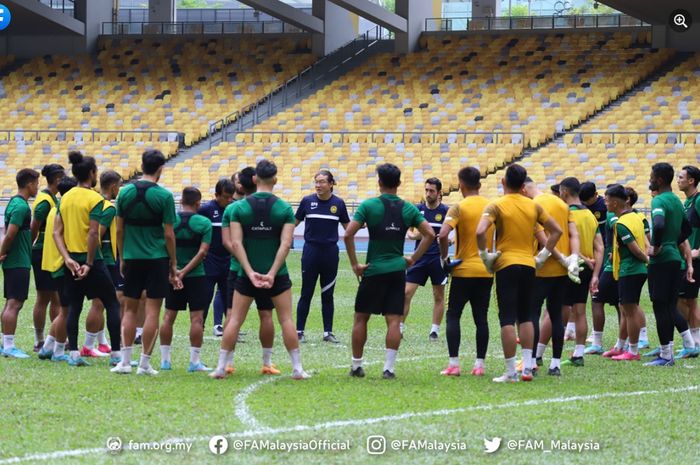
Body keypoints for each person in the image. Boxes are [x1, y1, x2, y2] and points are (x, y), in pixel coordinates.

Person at [211, 160, 309, 380]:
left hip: (246, 275)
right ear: (275, 179)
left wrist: (249, 271)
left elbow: (235, 244)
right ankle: (297, 369)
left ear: (254, 179)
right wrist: (272, 273)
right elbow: (285, 244)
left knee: (234, 319)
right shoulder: (284, 208)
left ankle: (220, 368)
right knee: (286, 320)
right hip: (277, 275)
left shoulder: (237, 208)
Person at [345, 163, 435, 379]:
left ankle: (357, 366)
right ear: (399, 183)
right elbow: (430, 234)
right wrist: (412, 259)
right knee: (394, 319)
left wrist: (355, 265)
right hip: (396, 270)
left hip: (373, 269)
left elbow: (348, 235)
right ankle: (389, 368)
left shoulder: (369, 206)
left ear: (379, 182)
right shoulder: (408, 208)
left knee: (361, 317)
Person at [476, 164, 562, 383]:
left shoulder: (497, 205)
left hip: (506, 264)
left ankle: (510, 371)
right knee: (525, 316)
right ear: (524, 185)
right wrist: (543, 255)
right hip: (529, 264)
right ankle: (527, 367)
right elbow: (557, 231)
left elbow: (479, 231)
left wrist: (485, 255)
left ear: (504, 182)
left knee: (506, 318)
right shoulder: (533, 206)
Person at [112, 150, 178, 376]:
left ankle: (125, 362)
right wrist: (173, 262)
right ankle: (145, 364)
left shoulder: (124, 193)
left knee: (129, 310)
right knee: (152, 311)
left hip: (131, 258)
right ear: (160, 169)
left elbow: (119, 229)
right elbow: (169, 234)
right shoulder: (165, 196)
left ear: (142, 165)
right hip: (157, 259)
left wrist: (122, 256)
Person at [52, 152, 122, 367]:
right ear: (92, 173)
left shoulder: (65, 198)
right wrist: (89, 263)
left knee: (74, 306)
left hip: (71, 260)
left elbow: (56, 233)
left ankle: (73, 353)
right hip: (92, 260)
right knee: (111, 302)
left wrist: (68, 259)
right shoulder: (95, 199)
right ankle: (117, 354)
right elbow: (93, 234)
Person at [221, 166, 278, 375]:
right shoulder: (273, 206)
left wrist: (243, 260)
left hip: (238, 269)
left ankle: (227, 362)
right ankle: (267, 362)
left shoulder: (233, 209)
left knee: (232, 315)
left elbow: (228, 242)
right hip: (264, 270)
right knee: (266, 314)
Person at [438, 167, 493, 376]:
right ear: (479, 184)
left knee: (453, 315)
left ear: (461, 185)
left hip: (462, 270)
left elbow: (443, 235)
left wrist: (445, 260)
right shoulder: (491, 206)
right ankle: (479, 365)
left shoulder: (458, 207)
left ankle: (454, 364)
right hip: (485, 270)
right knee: (481, 318)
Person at [523, 178, 580, 377]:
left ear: (524, 189)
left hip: (541, 269)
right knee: (556, 316)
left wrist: (561, 258)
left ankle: (530, 362)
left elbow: (543, 238)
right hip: (561, 272)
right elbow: (573, 233)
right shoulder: (561, 204)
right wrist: (572, 257)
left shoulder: (532, 205)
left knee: (532, 314)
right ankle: (555, 364)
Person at [645, 163, 695, 366]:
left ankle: (666, 355)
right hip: (675, 259)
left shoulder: (659, 200)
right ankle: (683, 347)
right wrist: (673, 242)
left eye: (651, 176)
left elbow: (658, 223)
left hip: (662, 260)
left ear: (658, 180)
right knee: (669, 305)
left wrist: (657, 246)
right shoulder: (676, 200)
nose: (649, 179)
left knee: (660, 306)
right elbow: (687, 229)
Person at [159, 187, 213, 372]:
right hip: (196, 276)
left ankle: (165, 361)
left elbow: (163, 248)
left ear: (181, 201)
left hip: (171, 276)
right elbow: (203, 252)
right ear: (198, 203)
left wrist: (174, 273)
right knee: (197, 318)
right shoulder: (204, 223)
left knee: (168, 317)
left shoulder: (169, 222)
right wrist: (184, 272)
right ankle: (194, 362)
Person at [295, 170, 350, 343]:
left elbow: (349, 227)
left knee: (328, 294)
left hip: (330, 253)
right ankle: (299, 331)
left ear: (331, 184)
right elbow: (292, 222)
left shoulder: (339, 204)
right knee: (306, 293)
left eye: (322, 182)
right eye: (316, 182)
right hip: (310, 252)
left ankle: (328, 333)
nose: (318, 185)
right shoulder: (307, 201)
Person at [559, 177, 603, 366]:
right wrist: (595, 274)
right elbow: (600, 247)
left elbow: (566, 244)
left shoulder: (566, 214)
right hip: (587, 269)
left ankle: (547, 353)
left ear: (565, 192)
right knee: (580, 311)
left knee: (557, 310)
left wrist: (581, 258)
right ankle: (578, 354)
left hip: (569, 265)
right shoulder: (590, 215)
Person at [80, 170, 123, 358]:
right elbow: (97, 234)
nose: (119, 190)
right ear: (113, 186)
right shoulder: (108, 208)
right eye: (119, 186)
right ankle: (88, 346)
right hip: (104, 260)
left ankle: (100, 342)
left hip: (101, 259)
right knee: (99, 304)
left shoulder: (97, 203)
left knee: (102, 303)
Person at [603, 184, 648, 362]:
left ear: (614, 202)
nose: (605, 204)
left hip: (630, 269)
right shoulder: (636, 217)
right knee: (626, 308)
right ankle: (620, 346)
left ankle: (633, 350)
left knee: (629, 310)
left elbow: (636, 250)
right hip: (634, 270)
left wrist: (647, 260)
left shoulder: (621, 224)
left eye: (606, 201)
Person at [37, 176, 79, 363]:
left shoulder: (55, 209)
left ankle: (47, 347)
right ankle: (58, 351)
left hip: (53, 264)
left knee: (64, 309)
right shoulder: (63, 211)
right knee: (66, 311)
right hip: (62, 265)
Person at [402, 178, 449, 341]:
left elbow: (455, 234)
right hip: (419, 259)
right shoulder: (417, 210)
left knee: (438, 295)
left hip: (437, 259)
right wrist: (413, 234)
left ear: (439, 193)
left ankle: (434, 331)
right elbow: (409, 228)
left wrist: (449, 240)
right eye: (427, 190)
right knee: (406, 293)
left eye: (432, 191)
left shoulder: (446, 211)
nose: (428, 194)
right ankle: (399, 328)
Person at [0, 169, 40, 358]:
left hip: (15, 260)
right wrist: (1, 252)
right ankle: (9, 346)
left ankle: (5, 343)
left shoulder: (14, 203)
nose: (37, 187)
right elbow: (9, 234)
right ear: (29, 184)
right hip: (18, 261)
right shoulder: (21, 207)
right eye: (36, 183)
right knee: (15, 303)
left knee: (11, 303)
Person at [29, 164, 64, 352]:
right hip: (42, 252)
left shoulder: (51, 198)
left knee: (56, 297)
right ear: (57, 179)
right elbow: (34, 227)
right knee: (44, 297)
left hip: (49, 252)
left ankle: (56, 337)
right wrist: (30, 250)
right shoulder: (44, 201)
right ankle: (39, 340)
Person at [198, 178, 235, 336]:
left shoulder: (234, 209)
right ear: (216, 195)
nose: (229, 200)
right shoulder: (206, 210)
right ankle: (200, 327)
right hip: (209, 261)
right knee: (204, 297)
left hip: (228, 261)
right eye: (225, 196)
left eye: (231, 196)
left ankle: (231, 330)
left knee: (230, 298)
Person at [677, 165, 700, 351]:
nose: (678, 180)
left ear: (691, 181)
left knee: (686, 300)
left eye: (681, 177)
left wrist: (698, 251)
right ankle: (694, 341)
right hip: (687, 259)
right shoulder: (686, 203)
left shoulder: (699, 200)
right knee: (687, 300)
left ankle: (695, 342)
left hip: (695, 260)